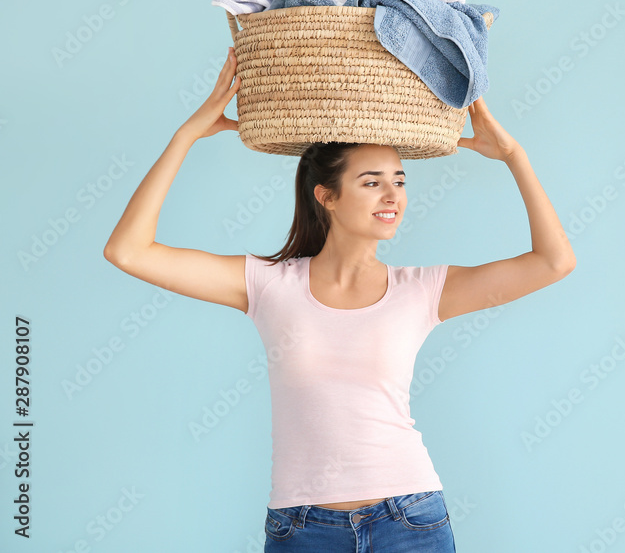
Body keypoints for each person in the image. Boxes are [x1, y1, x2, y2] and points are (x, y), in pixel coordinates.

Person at [103, 47, 576, 552]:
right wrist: (187, 135)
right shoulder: (268, 284)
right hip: (302, 527)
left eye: (398, 181)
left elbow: (554, 262)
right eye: (371, 183)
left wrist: (513, 155)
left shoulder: (422, 291)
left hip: (410, 518)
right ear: (325, 196)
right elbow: (128, 251)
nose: (392, 196)